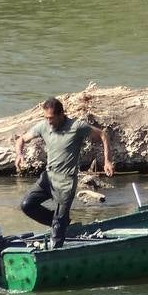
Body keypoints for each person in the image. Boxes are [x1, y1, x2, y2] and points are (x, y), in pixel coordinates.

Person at [14, 97, 114, 248]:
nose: (49, 121)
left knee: (57, 232)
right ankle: (60, 223)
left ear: (61, 115)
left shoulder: (76, 126)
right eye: (46, 118)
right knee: (27, 205)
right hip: (48, 178)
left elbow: (102, 135)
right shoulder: (43, 127)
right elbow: (21, 139)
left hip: (66, 182)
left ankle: (58, 235)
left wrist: (107, 161)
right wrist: (19, 154)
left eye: (52, 118)